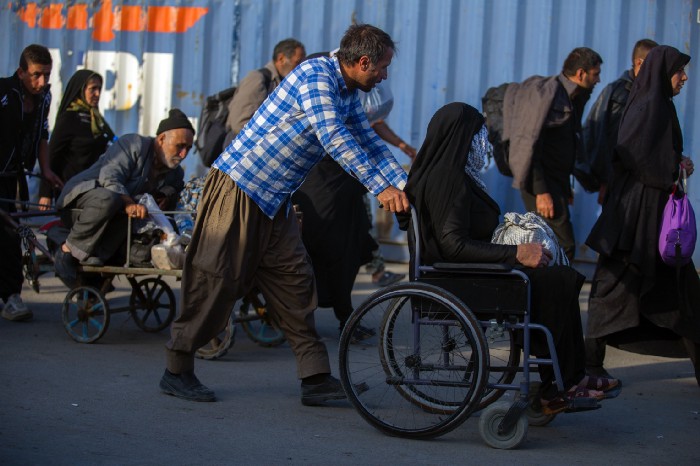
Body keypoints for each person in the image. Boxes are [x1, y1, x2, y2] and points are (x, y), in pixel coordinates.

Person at [160, 24, 409, 405]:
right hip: (239, 188)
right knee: (217, 281)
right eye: (383, 68)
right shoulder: (315, 77)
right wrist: (380, 188)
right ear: (363, 62)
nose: (385, 76)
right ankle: (176, 369)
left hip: (275, 199)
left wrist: (403, 185)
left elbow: (369, 142)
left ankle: (316, 379)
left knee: (295, 281)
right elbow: (334, 138)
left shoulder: (347, 93)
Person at [404, 102, 619, 415]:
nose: (484, 145)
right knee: (554, 280)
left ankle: (569, 377)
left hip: (467, 272)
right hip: (455, 279)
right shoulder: (447, 180)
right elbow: (453, 245)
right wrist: (517, 253)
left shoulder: (453, 175)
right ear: (462, 137)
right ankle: (558, 384)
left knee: (560, 276)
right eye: (479, 136)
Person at [585, 45, 700, 386]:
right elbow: (632, 153)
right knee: (615, 291)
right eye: (679, 71)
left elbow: (654, 152)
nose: (684, 77)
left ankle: (589, 364)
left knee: (681, 295)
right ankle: (587, 365)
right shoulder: (650, 105)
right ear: (663, 73)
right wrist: (670, 169)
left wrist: (677, 162)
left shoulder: (659, 103)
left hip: (649, 218)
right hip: (636, 222)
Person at [54, 109, 193, 276]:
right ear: (162, 139)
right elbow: (110, 177)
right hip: (81, 202)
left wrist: (164, 196)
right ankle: (67, 250)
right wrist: (128, 203)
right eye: (180, 146)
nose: (183, 154)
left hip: (112, 216)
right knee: (110, 197)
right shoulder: (134, 144)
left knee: (136, 216)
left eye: (188, 148)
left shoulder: (175, 172)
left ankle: (99, 256)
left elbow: (175, 190)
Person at [503, 47, 603, 261]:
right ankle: (552, 293)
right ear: (581, 74)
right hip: (540, 183)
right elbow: (532, 143)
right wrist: (541, 192)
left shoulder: (572, 97)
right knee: (563, 244)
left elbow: (563, 145)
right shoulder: (551, 95)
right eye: (596, 74)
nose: (599, 80)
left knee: (550, 243)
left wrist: (565, 188)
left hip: (555, 184)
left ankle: (543, 292)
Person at [0, 44, 62, 322]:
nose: (42, 82)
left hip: (14, 177)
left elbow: (43, 137)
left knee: (12, 235)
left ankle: (11, 297)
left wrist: (46, 170)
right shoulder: (3, 94)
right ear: (21, 72)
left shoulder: (44, 100)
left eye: (47, 75)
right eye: (36, 75)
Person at [582, 39, 658, 204]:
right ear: (639, 62)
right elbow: (601, 139)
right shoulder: (618, 94)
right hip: (617, 182)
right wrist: (604, 181)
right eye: (655, 63)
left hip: (639, 183)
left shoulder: (651, 94)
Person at [37, 69, 115, 209]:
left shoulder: (96, 119)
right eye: (92, 89)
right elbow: (52, 154)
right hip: (71, 190)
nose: (97, 94)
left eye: (99, 89)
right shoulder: (69, 119)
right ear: (81, 90)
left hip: (92, 187)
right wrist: (45, 193)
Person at [223, 38, 306, 146]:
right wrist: (271, 141)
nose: (301, 68)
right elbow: (240, 123)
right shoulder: (257, 79)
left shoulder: (286, 85)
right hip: (242, 153)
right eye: (297, 62)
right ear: (281, 59)